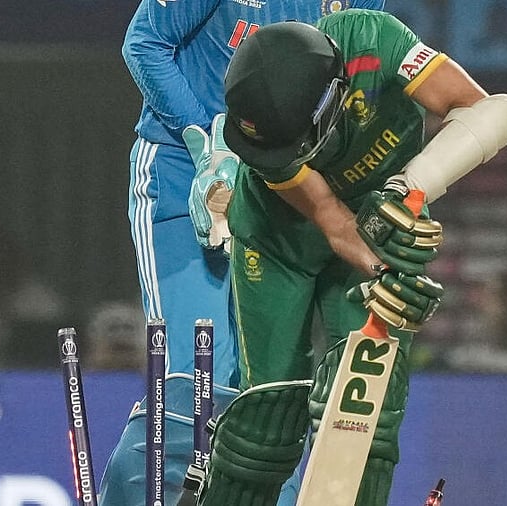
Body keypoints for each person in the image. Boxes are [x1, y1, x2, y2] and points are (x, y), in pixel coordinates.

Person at [195, 11, 507, 506]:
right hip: (278, 241)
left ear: (333, 100)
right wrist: (386, 269)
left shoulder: (376, 40)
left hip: (384, 219)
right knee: (267, 421)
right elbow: (333, 220)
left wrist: (407, 190)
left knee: (365, 413)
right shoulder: (261, 130)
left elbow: (492, 111)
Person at [101, 1, 384, 505]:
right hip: (181, 173)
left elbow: (352, 83)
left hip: (285, 182)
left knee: (269, 396)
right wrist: (208, 142)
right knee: (196, 389)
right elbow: (144, 45)